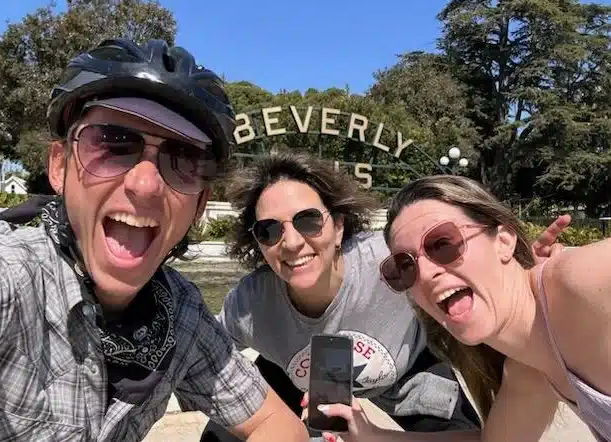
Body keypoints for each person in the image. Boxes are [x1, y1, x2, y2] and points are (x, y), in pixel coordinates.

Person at [0, 38, 310, 441]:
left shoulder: (180, 315)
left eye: (183, 159)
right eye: (112, 144)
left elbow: (277, 425)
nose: (146, 184)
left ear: (201, 203)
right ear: (59, 167)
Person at [315, 174, 611, 442]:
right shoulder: (530, 367)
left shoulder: (588, 283)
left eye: (442, 244)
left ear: (504, 240)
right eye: (404, 267)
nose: (425, 274)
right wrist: (372, 436)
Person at [199, 154, 570, 441]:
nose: (292, 242)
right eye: (269, 230)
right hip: (291, 371)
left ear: (339, 225)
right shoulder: (249, 305)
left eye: (309, 220)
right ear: (258, 243)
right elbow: (198, 361)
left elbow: (464, 270)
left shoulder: (391, 260)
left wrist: (525, 277)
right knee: (223, 432)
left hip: (405, 365)